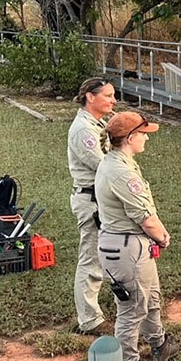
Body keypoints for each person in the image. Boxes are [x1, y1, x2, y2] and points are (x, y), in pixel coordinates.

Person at [95, 111, 178, 361]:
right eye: (143, 134)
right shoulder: (121, 171)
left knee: (151, 297)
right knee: (132, 310)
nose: (146, 138)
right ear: (130, 138)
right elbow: (144, 217)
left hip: (130, 245)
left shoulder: (120, 163)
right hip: (127, 247)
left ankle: (159, 343)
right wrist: (163, 237)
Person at [67, 77, 116, 337]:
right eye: (107, 95)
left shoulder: (99, 123)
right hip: (90, 200)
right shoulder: (83, 130)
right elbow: (105, 165)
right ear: (90, 96)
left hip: (100, 197)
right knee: (91, 258)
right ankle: (89, 319)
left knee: (106, 253)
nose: (113, 100)